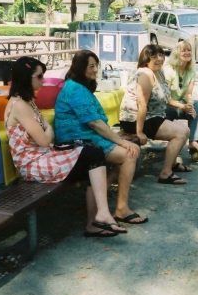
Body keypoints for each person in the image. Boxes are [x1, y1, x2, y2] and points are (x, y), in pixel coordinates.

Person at [4, 56, 126, 237]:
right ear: (26, 77)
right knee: (92, 155)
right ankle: (100, 216)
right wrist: (47, 130)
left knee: (93, 154)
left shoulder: (27, 101)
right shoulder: (20, 105)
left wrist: (46, 129)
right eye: (39, 76)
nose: (43, 81)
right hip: (32, 164)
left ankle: (98, 219)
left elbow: (45, 134)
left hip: (43, 156)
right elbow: (45, 140)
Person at [54, 50, 147, 225]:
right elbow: (95, 123)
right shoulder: (76, 89)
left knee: (129, 153)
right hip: (78, 141)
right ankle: (121, 208)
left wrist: (121, 141)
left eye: (96, 65)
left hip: (88, 137)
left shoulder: (78, 85)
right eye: (91, 66)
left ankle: (102, 195)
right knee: (129, 154)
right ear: (80, 67)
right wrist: (121, 141)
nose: (95, 69)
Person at [119, 44, 191, 185]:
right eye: (154, 56)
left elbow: (165, 97)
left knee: (185, 130)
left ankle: (172, 164)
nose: (159, 59)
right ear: (146, 59)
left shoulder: (159, 72)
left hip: (153, 116)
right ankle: (165, 173)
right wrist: (139, 132)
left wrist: (182, 106)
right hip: (136, 119)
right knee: (180, 133)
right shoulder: (145, 74)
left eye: (161, 55)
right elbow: (142, 104)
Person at [162, 41, 198, 163]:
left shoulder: (191, 71)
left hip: (181, 105)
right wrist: (183, 106)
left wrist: (189, 104)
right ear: (176, 53)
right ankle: (195, 148)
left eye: (189, 50)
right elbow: (165, 97)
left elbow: (188, 94)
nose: (187, 52)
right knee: (192, 110)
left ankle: (194, 143)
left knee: (196, 105)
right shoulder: (169, 70)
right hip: (166, 107)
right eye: (183, 50)